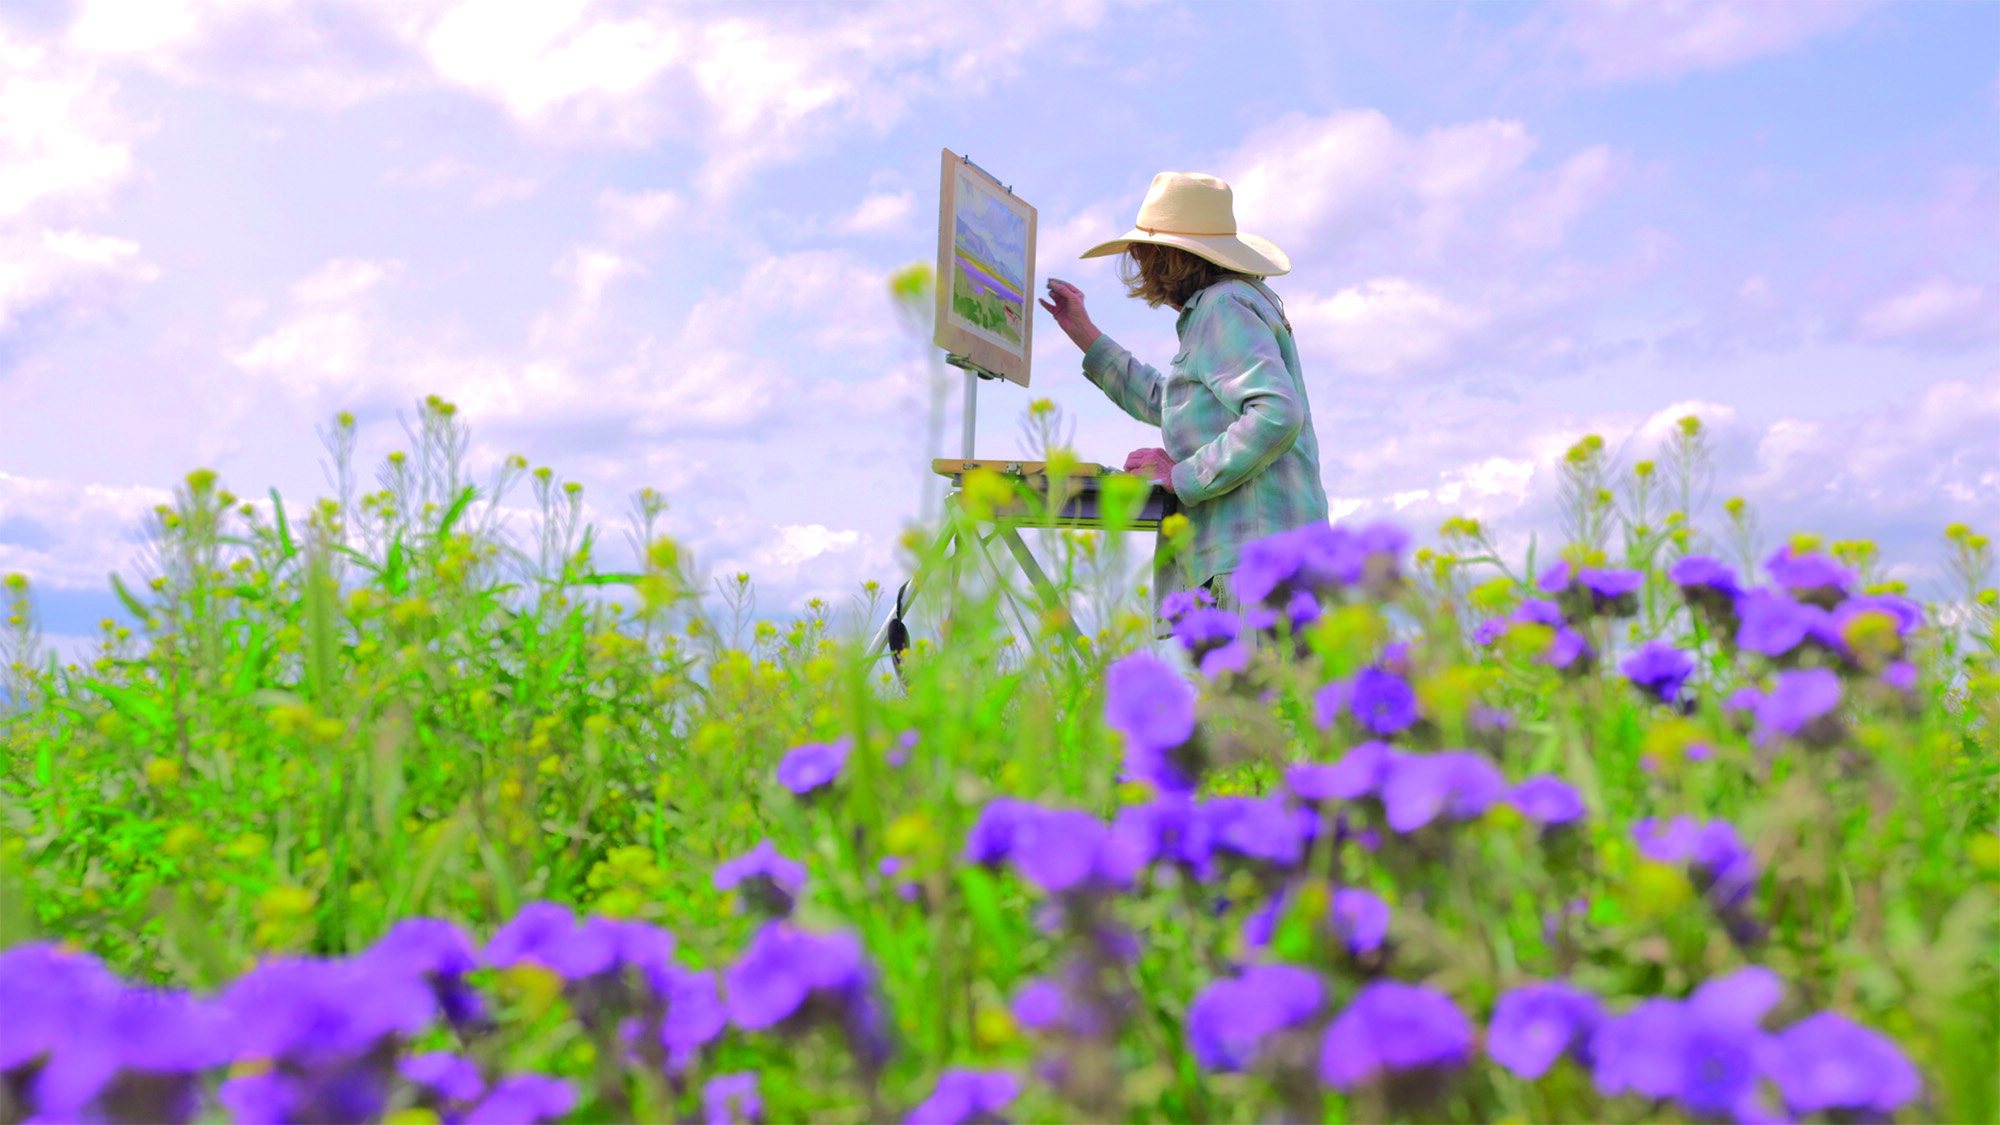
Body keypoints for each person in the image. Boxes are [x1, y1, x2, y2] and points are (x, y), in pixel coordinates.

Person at [1038, 171, 1329, 631]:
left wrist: (1183, 475)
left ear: (1164, 258)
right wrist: (1084, 333)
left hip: (1254, 565)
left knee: (1254, 702)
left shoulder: (1221, 306)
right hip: (1275, 561)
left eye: (1142, 254)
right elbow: (1170, 402)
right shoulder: (1235, 303)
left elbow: (1277, 412)